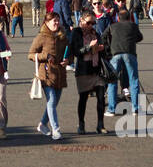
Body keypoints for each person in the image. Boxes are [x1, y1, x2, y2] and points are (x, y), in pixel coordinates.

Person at [28, 10, 69, 140]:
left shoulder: (63, 36)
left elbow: (69, 53)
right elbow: (31, 54)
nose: (56, 22)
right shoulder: (41, 37)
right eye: (54, 20)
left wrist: (69, 60)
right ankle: (56, 129)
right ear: (46, 22)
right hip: (46, 73)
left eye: (58, 20)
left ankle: (42, 124)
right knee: (51, 101)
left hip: (60, 72)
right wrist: (46, 56)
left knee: (54, 102)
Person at [106, 0, 145, 116]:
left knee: (112, 81)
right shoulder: (133, 25)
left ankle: (111, 109)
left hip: (116, 53)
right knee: (133, 80)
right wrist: (130, 40)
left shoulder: (113, 26)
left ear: (118, 17)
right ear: (128, 18)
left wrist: (111, 43)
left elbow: (103, 37)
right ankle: (135, 108)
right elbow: (140, 37)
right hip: (129, 53)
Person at [72, 12, 107, 135]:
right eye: (88, 22)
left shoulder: (96, 33)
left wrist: (102, 48)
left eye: (93, 23)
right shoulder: (76, 33)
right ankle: (81, 124)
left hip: (96, 70)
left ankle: (100, 124)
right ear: (81, 21)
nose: (91, 25)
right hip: (83, 71)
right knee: (83, 99)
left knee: (101, 97)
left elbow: (102, 49)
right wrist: (89, 47)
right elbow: (76, 52)